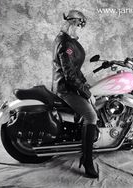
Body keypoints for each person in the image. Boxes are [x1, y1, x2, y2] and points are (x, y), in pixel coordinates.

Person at [51, 10, 98, 178]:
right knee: (91, 116)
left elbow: (75, 69)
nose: (78, 29)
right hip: (65, 89)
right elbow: (69, 75)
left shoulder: (67, 40)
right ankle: (87, 161)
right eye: (78, 25)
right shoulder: (64, 43)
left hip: (70, 86)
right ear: (72, 22)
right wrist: (86, 92)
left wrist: (85, 84)